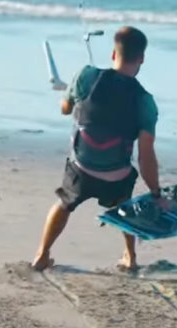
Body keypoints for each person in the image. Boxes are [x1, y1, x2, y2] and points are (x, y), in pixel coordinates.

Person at [31, 25, 162, 272]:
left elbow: (65, 109)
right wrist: (156, 193)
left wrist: (65, 93)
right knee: (125, 206)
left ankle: (41, 254)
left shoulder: (86, 76)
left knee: (63, 203)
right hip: (117, 177)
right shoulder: (145, 100)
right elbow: (146, 156)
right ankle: (130, 257)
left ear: (114, 54)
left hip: (82, 169)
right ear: (142, 58)